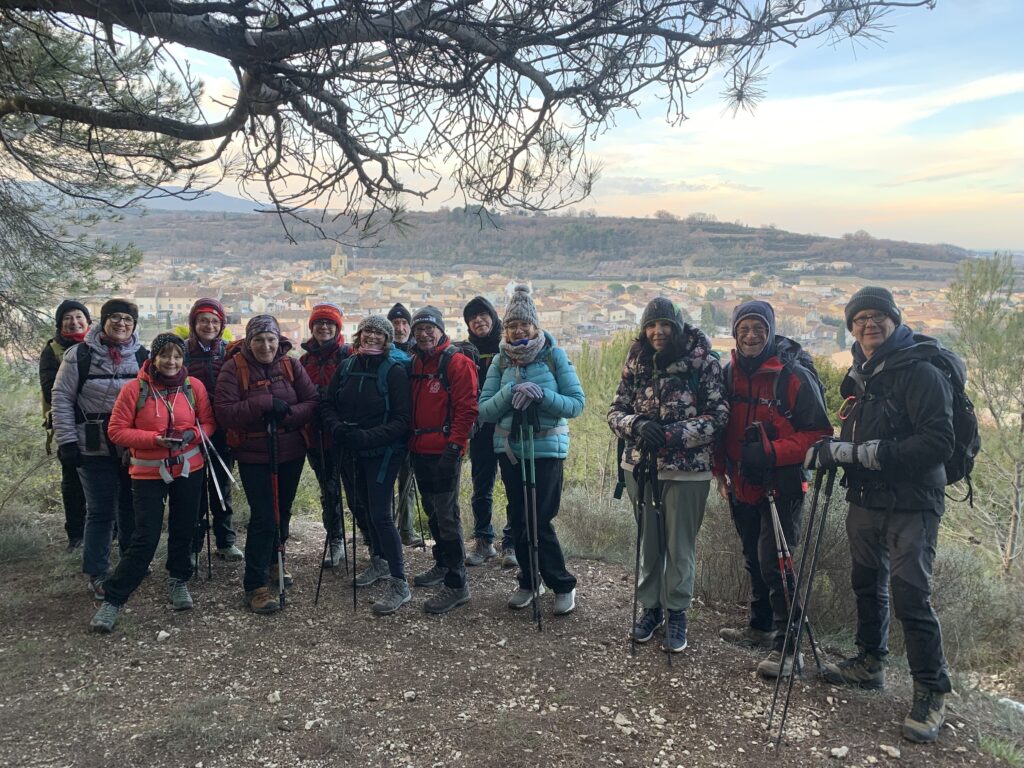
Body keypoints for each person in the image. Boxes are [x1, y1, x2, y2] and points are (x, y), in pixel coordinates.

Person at [805, 287, 954, 744]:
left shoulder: (921, 372)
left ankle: (931, 689)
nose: (869, 324)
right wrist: (832, 449)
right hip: (866, 498)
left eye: (877, 316)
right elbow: (858, 434)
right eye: (860, 318)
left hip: (913, 502)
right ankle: (870, 663)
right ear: (851, 327)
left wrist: (857, 453)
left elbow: (938, 443)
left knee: (911, 595)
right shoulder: (861, 374)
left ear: (894, 320)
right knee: (866, 583)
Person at [712, 301, 832, 677]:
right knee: (752, 555)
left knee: (777, 563)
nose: (751, 336)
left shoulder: (791, 376)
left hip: (781, 483)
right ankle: (760, 626)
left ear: (770, 331)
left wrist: (772, 452)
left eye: (759, 329)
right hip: (741, 481)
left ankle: (789, 648)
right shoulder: (729, 372)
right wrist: (720, 471)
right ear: (734, 333)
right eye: (744, 329)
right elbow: (721, 425)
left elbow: (820, 434)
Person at [607, 297, 728, 653]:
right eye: (651, 325)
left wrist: (672, 435)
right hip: (640, 467)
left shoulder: (703, 362)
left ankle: (676, 611)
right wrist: (637, 425)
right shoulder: (636, 360)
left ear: (677, 326)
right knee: (649, 543)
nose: (657, 332)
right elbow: (615, 410)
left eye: (664, 325)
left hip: (688, 471)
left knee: (679, 546)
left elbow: (718, 416)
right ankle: (651, 608)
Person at [90, 333, 217, 632]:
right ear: (154, 358)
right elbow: (116, 430)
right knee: (145, 537)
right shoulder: (135, 390)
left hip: (189, 468)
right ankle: (114, 599)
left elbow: (208, 423)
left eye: (177, 356)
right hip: (148, 471)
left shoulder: (193, 387)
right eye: (165, 355)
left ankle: (178, 579)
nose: (171, 362)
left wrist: (192, 434)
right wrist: (154, 440)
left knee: (184, 528)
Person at [479, 286, 585, 616]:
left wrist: (542, 395)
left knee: (539, 520)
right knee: (519, 519)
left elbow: (576, 404)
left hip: (547, 450)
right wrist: (511, 391)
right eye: (512, 326)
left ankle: (562, 584)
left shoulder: (554, 356)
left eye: (524, 324)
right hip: (512, 451)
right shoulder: (500, 361)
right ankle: (528, 580)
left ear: (535, 326)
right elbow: (484, 410)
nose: (518, 331)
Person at [214, 315, 319, 614]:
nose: (266, 345)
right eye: (259, 340)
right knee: (263, 517)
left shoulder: (290, 365)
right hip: (254, 455)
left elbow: (312, 402)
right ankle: (255, 585)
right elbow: (224, 412)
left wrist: (286, 414)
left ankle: (276, 562)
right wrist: (264, 404)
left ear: (278, 340)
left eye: (271, 339)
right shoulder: (234, 368)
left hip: (290, 451)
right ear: (249, 342)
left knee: (282, 511)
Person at [51, 299, 147, 600]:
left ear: (134, 325)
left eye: (127, 320)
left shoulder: (142, 356)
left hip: (130, 445)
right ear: (103, 321)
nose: (121, 324)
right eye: (115, 318)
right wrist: (67, 442)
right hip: (90, 443)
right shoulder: (79, 355)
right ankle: (98, 572)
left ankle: (131, 565)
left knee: (131, 507)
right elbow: (61, 399)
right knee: (101, 510)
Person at [322, 315, 412, 614]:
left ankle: (400, 583)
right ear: (359, 335)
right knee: (361, 508)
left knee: (380, 515)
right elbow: (328, 403)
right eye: (367, 331)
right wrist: (337, 428)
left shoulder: (394, 370)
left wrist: (367, 437)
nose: (372, 336)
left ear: (387, 340)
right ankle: (379, 561)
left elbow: (402, 420)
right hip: (352, 449)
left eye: (379, 333)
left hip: (383, 453)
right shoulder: (347, 366)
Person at [407, 305, 478, 614]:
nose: (424, 334)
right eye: (419, 329)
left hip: (445, 450)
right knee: (432, 512)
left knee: (447, 516)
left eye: (429, 328)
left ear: (440, 330)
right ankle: (442, 564)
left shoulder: (457, 363)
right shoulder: (415, 363)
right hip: (419, 448)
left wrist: (455, 448)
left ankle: (457, 583)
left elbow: (467, 408)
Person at [180, 298, 243, 564]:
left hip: (222, 429)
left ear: (222, 325)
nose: (209, 325)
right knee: (192, 488)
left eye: (214, 321)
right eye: (203, 320)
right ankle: (193, 545)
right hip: (190, 429)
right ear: (193, 323)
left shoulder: (229, 352)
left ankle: (225, 541)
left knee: (221, 485)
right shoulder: (181, 351)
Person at [462, 296, 516, 568]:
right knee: (481, 486)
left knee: (513, 485)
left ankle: (512, 542)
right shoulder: (465, 351)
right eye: (472, 318)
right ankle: (484, 541)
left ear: (493, 317)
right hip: (480, 428)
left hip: (507, 427)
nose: (478, 320)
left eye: (483, 315)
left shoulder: (509, 347)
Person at [299, 302, 352, 569]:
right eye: (319, 323)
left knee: (356, 492)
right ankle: (335, 539)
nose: (324, 327)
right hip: (315, 435)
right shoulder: (303, 361)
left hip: (345, 434)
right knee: (328, 491)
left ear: (337, 327)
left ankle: (371, 540)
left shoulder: (349, 355)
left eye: (329, 323)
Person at [39, 300, 91, 552]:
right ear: (60, 324)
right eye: (68, 318)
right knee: (73, 480)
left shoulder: (99, 346)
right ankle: (76, 534)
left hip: (101, 423)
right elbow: (50, 389)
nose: (74, 322)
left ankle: (111, 528)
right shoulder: (53, 350)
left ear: (88, 321)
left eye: (79, 317)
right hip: (68, 422)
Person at [387, 302, 423, 548]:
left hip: (412, 424)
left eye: (403, 323)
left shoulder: (419, 353)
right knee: (386, 480)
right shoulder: (381, 352)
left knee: (408, 479)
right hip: (387, 425)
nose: (400, 328)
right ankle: (387, 529)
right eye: (395, 323)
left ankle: (407, 529)